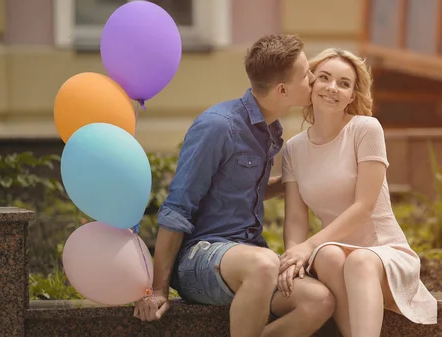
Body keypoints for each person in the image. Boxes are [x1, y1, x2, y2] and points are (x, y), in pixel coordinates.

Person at [133, 34, 336, 337]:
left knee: (319, 301)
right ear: (282, 90)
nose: (312, 79)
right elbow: (177, 208)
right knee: (265, 265)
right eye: (306, 74)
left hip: (247, 259)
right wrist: (158, 290)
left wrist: (293, 183)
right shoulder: (218, 126)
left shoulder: (268, 130)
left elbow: (240, 190)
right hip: (199, 260)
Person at [277, 48, 438, 337]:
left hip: (383, 252)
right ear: (311, 83)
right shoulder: (294, 149)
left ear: (352, 95)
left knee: (359, 260)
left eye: (344, 83)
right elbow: (296, 221)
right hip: (335, 254)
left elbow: (364, 206)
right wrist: (293, 256)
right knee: (327, 255)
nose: (332, 88)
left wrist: (308, 246)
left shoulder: (366, 129)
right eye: (324, 78)